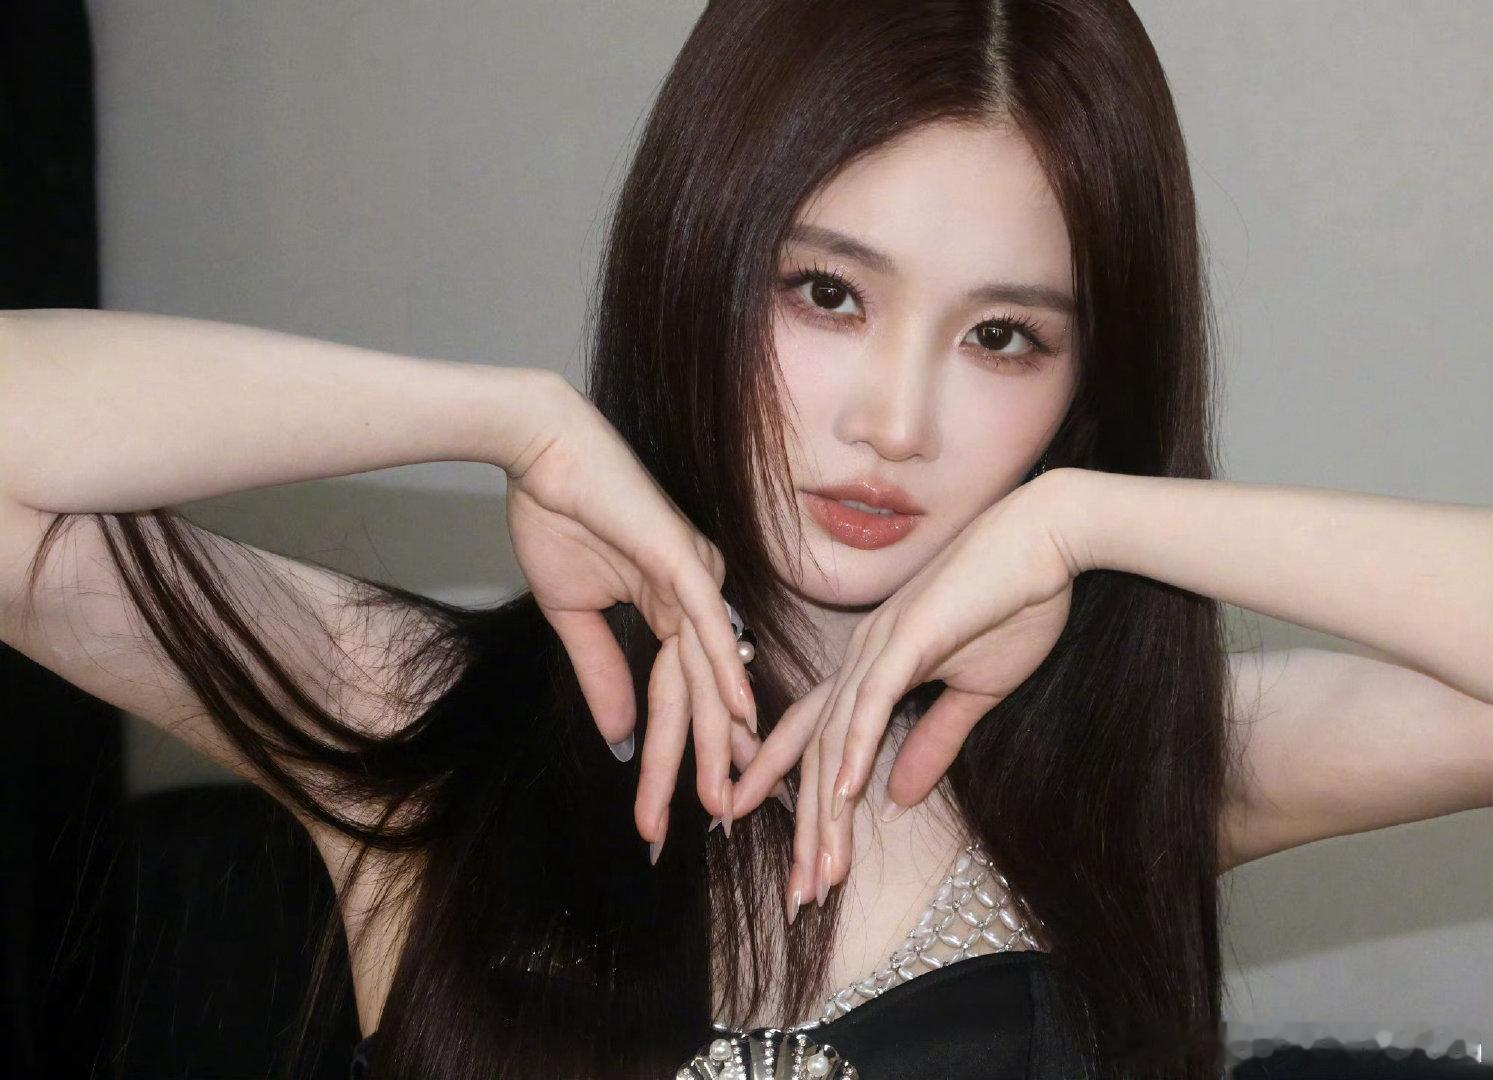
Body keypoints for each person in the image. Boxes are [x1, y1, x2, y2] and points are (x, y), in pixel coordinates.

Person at [1, 1, 1488, 1077]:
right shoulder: (416, 717)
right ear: (698, 271)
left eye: (1002, 337)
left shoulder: (1149, 768)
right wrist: (500, 418)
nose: (894, 422)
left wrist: (1094, 519)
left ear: (1082, 390)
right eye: (827, 294)